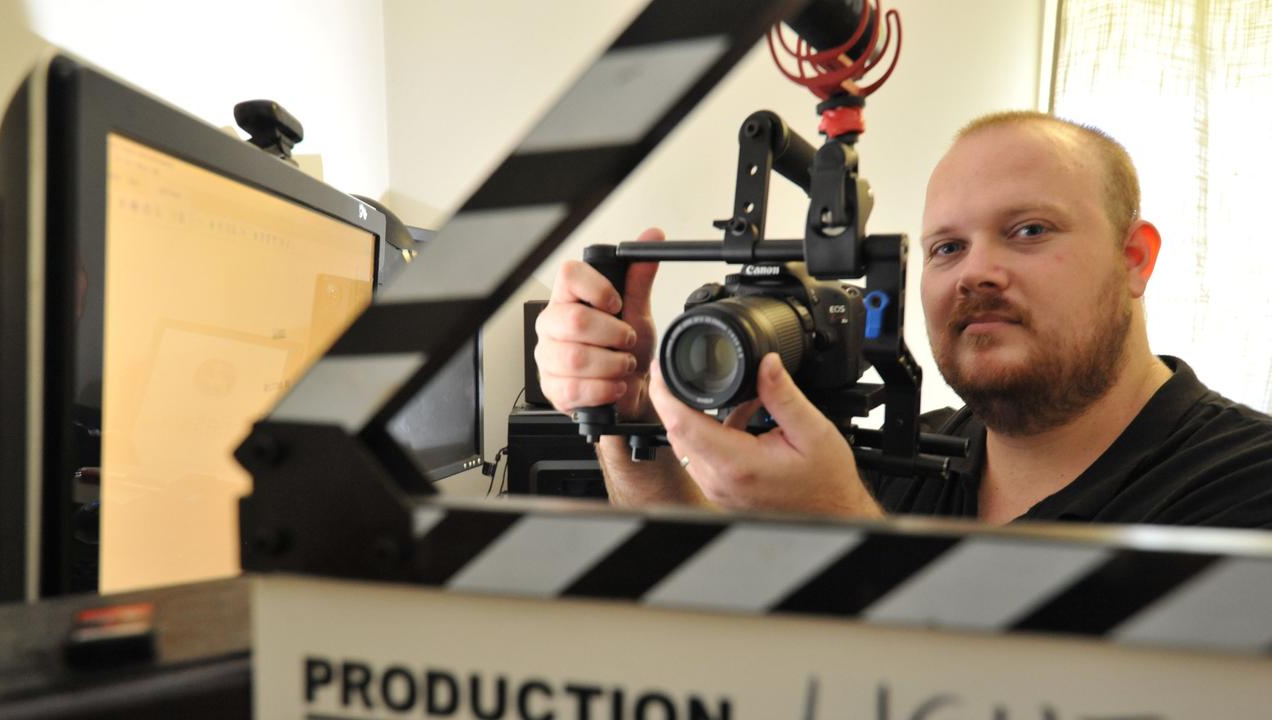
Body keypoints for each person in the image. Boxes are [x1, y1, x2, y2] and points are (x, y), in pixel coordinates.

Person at [532, 111, 1272, 528]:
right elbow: (697, 609)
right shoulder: (904, 454)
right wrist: (636, 419)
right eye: (947, 247)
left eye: (1029, 231)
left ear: (1135, 259)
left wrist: (848, 526)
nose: (977, 271)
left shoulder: (1245, 481)